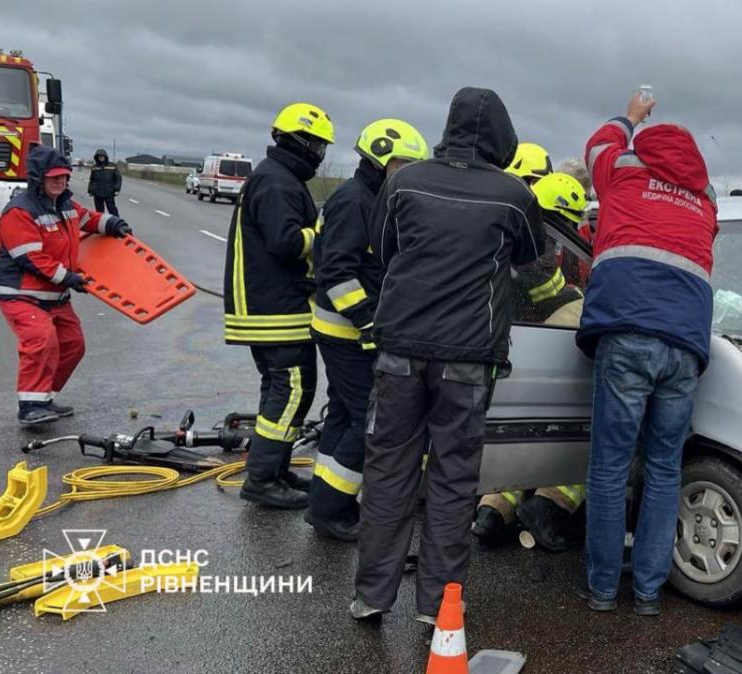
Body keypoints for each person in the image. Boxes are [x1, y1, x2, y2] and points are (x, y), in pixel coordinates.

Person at [353, 87, 544, 624]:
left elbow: (384, 249)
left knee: (388, 470)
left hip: (399, 351)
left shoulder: (402, 181)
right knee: (454, 479)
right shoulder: (513, 196)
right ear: (502, 136)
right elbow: (530, 257)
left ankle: (371, 596)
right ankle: (438, 606)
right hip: (469, 358)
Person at [577, 93, 718, 617]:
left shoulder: (625, 170)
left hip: (629, 332)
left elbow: (596, 146)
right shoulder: (706, 199)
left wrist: (631, 116)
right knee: (664, 467)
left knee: (611, 465)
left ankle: (602, 589)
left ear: (643, 147)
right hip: (686, 344)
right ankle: (649, 594)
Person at [306, 118, 429, 541]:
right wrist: (369, 322)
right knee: (367, 420)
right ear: (380, 160)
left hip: (346, 330)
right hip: (345, 331)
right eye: (402, 165)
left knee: (343, 411)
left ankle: (323, 494)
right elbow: (336, 272)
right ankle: (332, 508)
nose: (408, 174)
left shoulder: (372, 198)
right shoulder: (356, 202)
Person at [222, 102, 335, 509]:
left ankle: (275, 469)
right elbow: (286, 243)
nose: (320, 156)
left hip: (269, 309)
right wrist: (322, 233)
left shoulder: (276, 177)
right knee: (292, 393)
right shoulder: (277, 183)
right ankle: (263, 479)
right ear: (300, 143)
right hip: (276, 312)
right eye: (318, 146)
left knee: (280, 394)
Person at [472, 171, 589, 551]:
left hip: (495, 348)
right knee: (590, 440)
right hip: (534, 352)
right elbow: (562, 302)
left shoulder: (496, 230)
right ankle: (549, 506)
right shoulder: (536, 247)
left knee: (513, 442)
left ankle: (493, 510)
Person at [0, 145, 130, 425]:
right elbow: (31, 257)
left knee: (72, 344)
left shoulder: (65, 204)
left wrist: (113, 224)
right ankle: (29, 407)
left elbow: (88, 219)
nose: (60, 181)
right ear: (38, 178)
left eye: (64, 176)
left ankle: (43, 399)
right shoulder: (19, 211)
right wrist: (69, 278)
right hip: (19, 293)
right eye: (54, 177)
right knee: (41, 339)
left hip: (53, 293)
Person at [87, 148, 122, 216]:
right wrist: (90, 190)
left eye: (102, 156)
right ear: (97, 158)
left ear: (105, 157)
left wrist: (117, 189)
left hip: (109, 192)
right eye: (99, 157)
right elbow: (92, 179)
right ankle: (101, 224)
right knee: (99, 212)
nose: (101, 158)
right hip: (97, 192)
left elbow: (118, 178)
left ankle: (117, 224)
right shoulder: (94, 167)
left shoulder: (112, 166)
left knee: (112, 209)